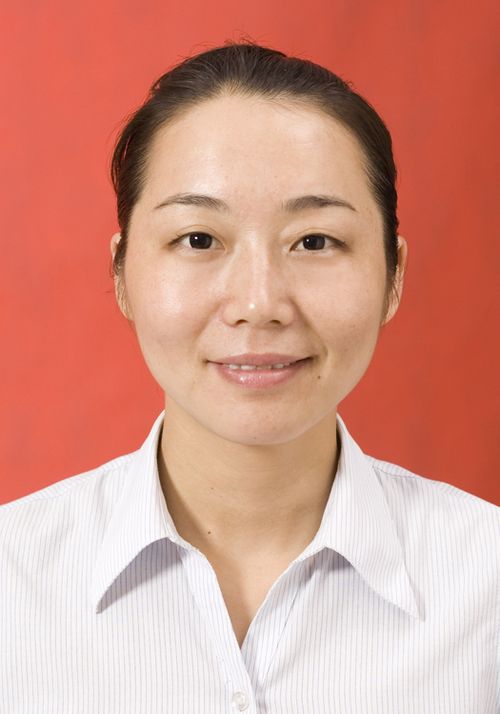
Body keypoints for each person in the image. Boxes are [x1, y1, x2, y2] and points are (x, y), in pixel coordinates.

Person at [1, 41, 498, 714]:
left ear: (394, 276)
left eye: (315, 241)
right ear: (121, 274)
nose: (259, 304)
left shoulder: (486, 587)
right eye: (199, 240)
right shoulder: (13, 583)